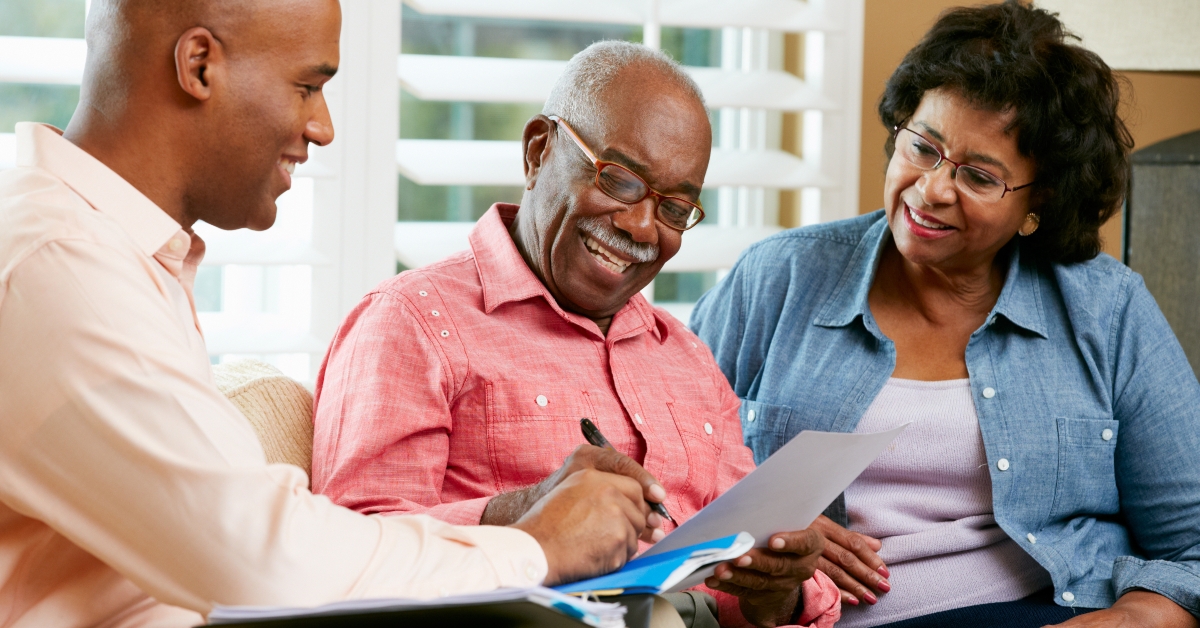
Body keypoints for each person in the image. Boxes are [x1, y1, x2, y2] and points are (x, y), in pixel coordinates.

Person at [0, 2, 663, 625]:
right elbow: (263, 562)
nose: (323, 127)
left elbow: (252, 540)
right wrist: (537, 549)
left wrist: (525, 527)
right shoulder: (58, 266)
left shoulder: (114, 255)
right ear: (199, 65)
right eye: (306, 87)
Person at [691, 2, 1200, 627]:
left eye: (980, 177)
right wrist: (764, 523)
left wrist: (1131, 618)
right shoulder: (778, 278)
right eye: (923, 147)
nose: (931, 189)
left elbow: (1193, 546)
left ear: (1038, 204)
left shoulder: (1106, 309)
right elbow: (665, 468)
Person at [310, 41, 840, 628]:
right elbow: (351, 552)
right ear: (538, 151)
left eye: (674, 209)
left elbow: (747, 583)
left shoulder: (688, 357)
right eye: (619, 180)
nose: (642, 227)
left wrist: (776, 593)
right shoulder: (411, 322)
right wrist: (525, 514)